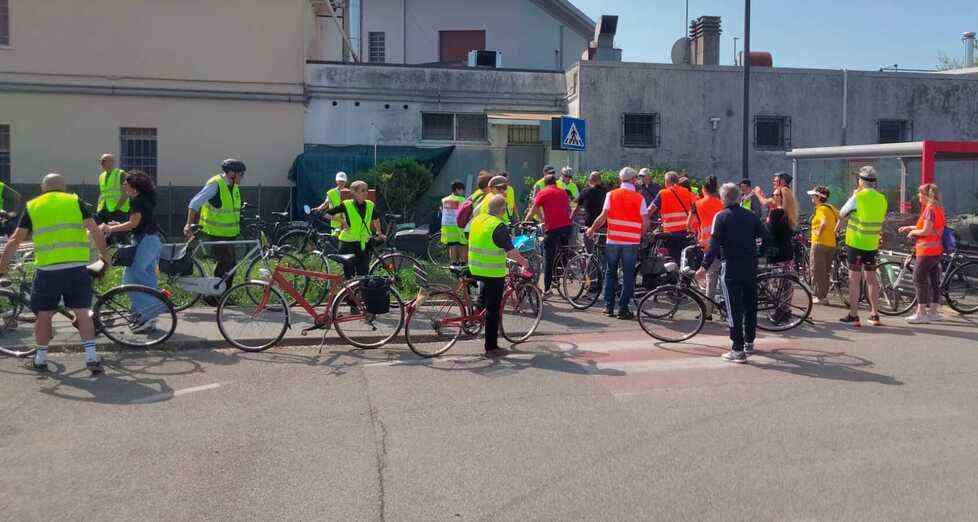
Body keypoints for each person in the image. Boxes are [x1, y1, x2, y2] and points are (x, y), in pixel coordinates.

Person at [0, 173, 111, 374]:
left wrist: (3, 264)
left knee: (43, 316)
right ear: (64, 188)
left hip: (47, 270)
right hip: (76, 267)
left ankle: (41, 359)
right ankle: (92, 358)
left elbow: (15, 239)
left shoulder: (34, 205)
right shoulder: (74, 201)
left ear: (43, 188)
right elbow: (95, 231)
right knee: (82, 314)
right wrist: (105, 256)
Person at [695, 182, 770, 363]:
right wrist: (760, 253)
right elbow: (766, 236)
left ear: (723, 199)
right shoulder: (751, 216)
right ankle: (749, 342)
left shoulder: (721, 217)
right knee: (750, 304)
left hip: (731, 266)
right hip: (750, 265)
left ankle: (737, 349)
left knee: (733, 307)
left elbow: (714, 246)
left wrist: (704, 267)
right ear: (738, 197)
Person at [100, 171, 164, 331]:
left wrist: (110, 228)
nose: (123, 186)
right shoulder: (146, 199)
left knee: (130, 281)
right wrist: (117, 224)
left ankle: (150, 311)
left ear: (134, 187)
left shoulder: (136, 201)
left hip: (144, 241)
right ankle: (144, 317)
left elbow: (133, 224)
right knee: (147, 280)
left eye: (125, 183)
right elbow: (136, 222)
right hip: (152, 241)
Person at [468, 195, 530, 358]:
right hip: (492, 271)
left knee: (482, 297)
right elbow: (510, 251)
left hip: (474, 267)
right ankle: (491, 347)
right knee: (493, 310)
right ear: (502, 210)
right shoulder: (498, 226)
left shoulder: (478, 220)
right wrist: (523, 261)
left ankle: (476, 318)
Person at [586, 167, 649, 319]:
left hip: (613, 240)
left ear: (621, 180)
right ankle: (623, 309)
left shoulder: (611, 195)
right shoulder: (639, 198)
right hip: (631, 242)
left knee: (610, 272)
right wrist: (642, 235)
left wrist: (592, 229)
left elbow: (603, 217)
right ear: (634, 180)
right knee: (628, 275)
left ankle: (608, 307)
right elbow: (646, 221)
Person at [837, 166, 888, 326]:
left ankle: (853, 315)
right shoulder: (882, 198)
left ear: (861, 181)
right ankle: (874, 314)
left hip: (856, 243)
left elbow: (842, 213)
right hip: (872, 244)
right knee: (871, 280)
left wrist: (854, 195)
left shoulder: (858, 197)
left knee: (854, 280)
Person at [185, 159, 245, 287]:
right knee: (226, 262)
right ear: (231, 173)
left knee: (231, 264)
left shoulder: (233, 187)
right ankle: (214, 295)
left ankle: (223, 294)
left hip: (229, 234)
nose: (242, 177)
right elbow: (194, 203)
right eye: (241, 174)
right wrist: (188, 224)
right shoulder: (216, 184)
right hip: (215, 232)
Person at [899, 183, 945, 324]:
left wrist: (913, 232)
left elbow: (926, 231)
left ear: (926, 195)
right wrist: (910, 227)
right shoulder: (938, 209)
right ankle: (933, 312)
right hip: (936, 249)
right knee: (933, 281)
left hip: (926, 250)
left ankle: (921, 313)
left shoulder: (930, 210)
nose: (918, 195)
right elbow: (929, 228)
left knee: (918, 279)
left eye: (920, 193)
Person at [525, 174, 573, 296]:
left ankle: (547, 289)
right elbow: (568, 209)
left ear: (545, 183)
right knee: (562, 252)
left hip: (552, 228)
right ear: (555, 183)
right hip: (567, 227)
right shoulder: (562, 192)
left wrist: (525, 222)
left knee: (548, 258)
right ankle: (558, 278)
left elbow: (533, 209)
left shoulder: (543, 192)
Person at [327, 180, 386, 279]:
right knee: (349, 275)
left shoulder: (370, 205)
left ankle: (360, 293)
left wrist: (379, 232)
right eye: (363, 190)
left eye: (366, 190)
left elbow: (375, 218)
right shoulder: (346, 204)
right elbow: (328, 214)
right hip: (347, 244)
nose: (366, 193)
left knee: (363, 275)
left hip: (363, 244)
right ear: (354, 192)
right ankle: (350, 294)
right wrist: (342, 221)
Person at [688, 176, 724, 319]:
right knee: (724, 277)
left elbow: (689, 224)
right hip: (723, 244)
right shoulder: (722, 203)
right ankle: (724, 307)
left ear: (703, 189)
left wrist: (696, 231)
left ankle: (708, 311)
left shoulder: (697, 204)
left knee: (711, 278)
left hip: (707, 245)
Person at [647, 170, 696, 262]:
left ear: (666, 182)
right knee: (685, 260)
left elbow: (649, 211)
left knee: (671, 260)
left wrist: (646, 221)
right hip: (686, 233)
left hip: (671, 234)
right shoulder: (688, 193)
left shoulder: (663, 193)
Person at [806, 186, 839, 305]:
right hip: (831, 243)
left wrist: (818, 232)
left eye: (813, 196)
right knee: (825, 271)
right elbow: (842, 217)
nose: (811, 198)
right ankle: (823, 295)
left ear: (819, 197)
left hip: (819, 243)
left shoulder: (820, 209)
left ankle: (820, 297)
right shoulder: (831, 207)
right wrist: (835, 231)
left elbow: (823, 222)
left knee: (817, 270)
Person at [96, 153, 130, 225]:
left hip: (118, 211)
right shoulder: (101, 176)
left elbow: (126, 193)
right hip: (103, 211)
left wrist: (117, 208)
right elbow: (103, 193)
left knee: (117, 234)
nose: (101, 163)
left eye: (104, 160)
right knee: (103, 234)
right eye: (100, 161)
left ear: (111, 161)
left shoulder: (121, 174)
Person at [765, 188, 795, 270]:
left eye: (774, 195)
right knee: (786, 278)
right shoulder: (789, 212)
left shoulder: (775, 213)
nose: (772, 197)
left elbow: (771, 233)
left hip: (776, 251)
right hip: (787, 250)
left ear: (780, 197)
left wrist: (768, 222)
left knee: (775, 278)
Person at [440, 180, 468, 264]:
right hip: (458, 226)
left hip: (447, 226)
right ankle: (462, 263)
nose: (463, 191)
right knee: (463, 245)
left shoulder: (444, 200)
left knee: (452, 246)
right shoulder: (462, 200)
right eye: (462, 189)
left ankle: (453, 264)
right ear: (456, 190)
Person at [313, 171, 348, 236]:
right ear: (336, 181)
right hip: (335, 219)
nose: (341, 183)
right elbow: (325, 203)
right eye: (340, 181)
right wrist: (318, 209)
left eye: (343, 181)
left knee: (345, 240)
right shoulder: (331, 192)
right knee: (335, 239)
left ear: (345, 182)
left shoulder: (348, 192)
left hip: (346, 220)